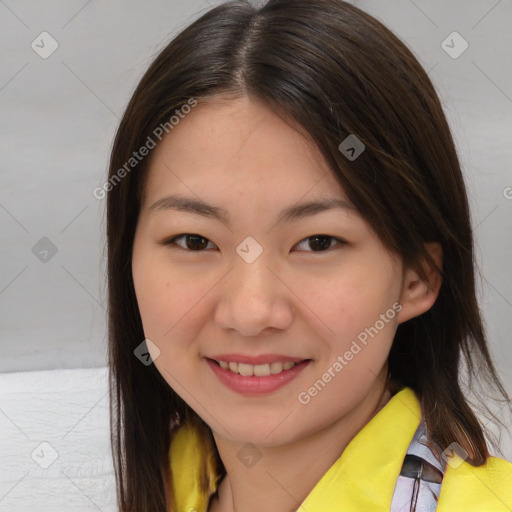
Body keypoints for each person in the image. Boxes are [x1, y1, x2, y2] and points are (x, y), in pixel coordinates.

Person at [105, 1, 512, 511]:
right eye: (194, 241)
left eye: (318, 243)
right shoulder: (172, 479)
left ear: (418, 276)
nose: (250, 313)